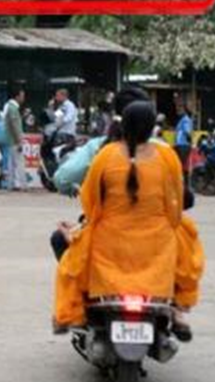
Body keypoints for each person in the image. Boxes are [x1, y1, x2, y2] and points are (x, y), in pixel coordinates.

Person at [52, 100, 204, 341]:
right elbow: (175, 203)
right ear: (153, 128)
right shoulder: (167, 156)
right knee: (188, 243)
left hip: (110, 243)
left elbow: (90, 202)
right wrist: (167, 223)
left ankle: (75, 316)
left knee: (71, 263)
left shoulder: (105, 155)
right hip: (157, 243)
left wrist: (91, 224)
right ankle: (177, 310)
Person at [0, 88, 27, 191]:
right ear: (17, 97)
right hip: (15, 140)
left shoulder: (10, 107)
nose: (23, 98)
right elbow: (15, 126)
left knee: (11, 163)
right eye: (22, 96)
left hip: (11, 139)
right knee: (19, 163)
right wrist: (19, 141)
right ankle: (23, 185)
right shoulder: (13, 108)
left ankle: (10, 184)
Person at [174, 103, 195, 190]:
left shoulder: (185, 120)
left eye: (180, 109)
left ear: (185, 110)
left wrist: (190, 141)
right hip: (181, 145)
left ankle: (183, 185)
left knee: (181, 165)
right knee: (182, 165)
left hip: (183, 145)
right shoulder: (183, 120)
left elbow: (187, 132)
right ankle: (183, 184)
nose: (178, 111)